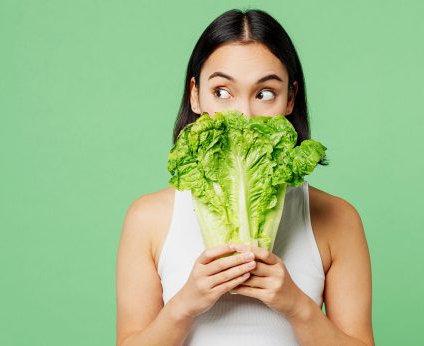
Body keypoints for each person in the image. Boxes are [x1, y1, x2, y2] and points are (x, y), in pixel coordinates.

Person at [116, 8, 374, 346]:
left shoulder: (338, 219)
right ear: (195, 94)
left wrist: (296, 305)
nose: (244, 115)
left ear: (290, 99)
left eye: (264, 93)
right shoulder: (148, 219)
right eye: (222, 91)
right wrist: (185, 305)